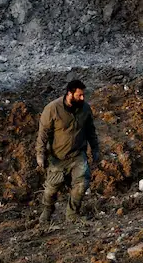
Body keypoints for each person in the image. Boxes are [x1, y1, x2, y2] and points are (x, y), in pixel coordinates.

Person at [36, 79, 100, 229]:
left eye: (83, 95)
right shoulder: (52, 109)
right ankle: (47, 210)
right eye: (79, 95)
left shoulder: (85, 109)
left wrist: (95, 149)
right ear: (70, 94)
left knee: (82, 183)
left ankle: (72, 214)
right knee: (51, 189)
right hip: (57, 157)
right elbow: (43, 133)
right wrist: (40, 154)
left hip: (77, 155)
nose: (82, 98)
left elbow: (91, 131)